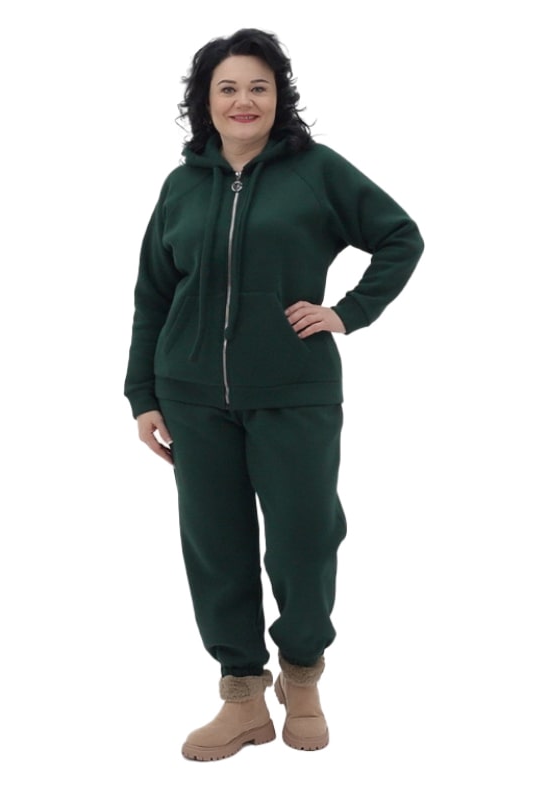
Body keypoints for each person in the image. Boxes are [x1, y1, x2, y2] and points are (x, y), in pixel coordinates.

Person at [124, 28, 424, 761]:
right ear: (204, 101)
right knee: (216, 547)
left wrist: (347, 313)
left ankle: (303, 674)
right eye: (227, 87)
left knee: (304, 539)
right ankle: (242, 697)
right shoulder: (181, 185)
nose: (243, 100)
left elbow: (400, 236)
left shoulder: (316, 171)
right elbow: (153, 294)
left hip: (294, 391)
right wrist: (142, 394)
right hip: (192, 396)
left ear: (278, 96)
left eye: (258, 86)